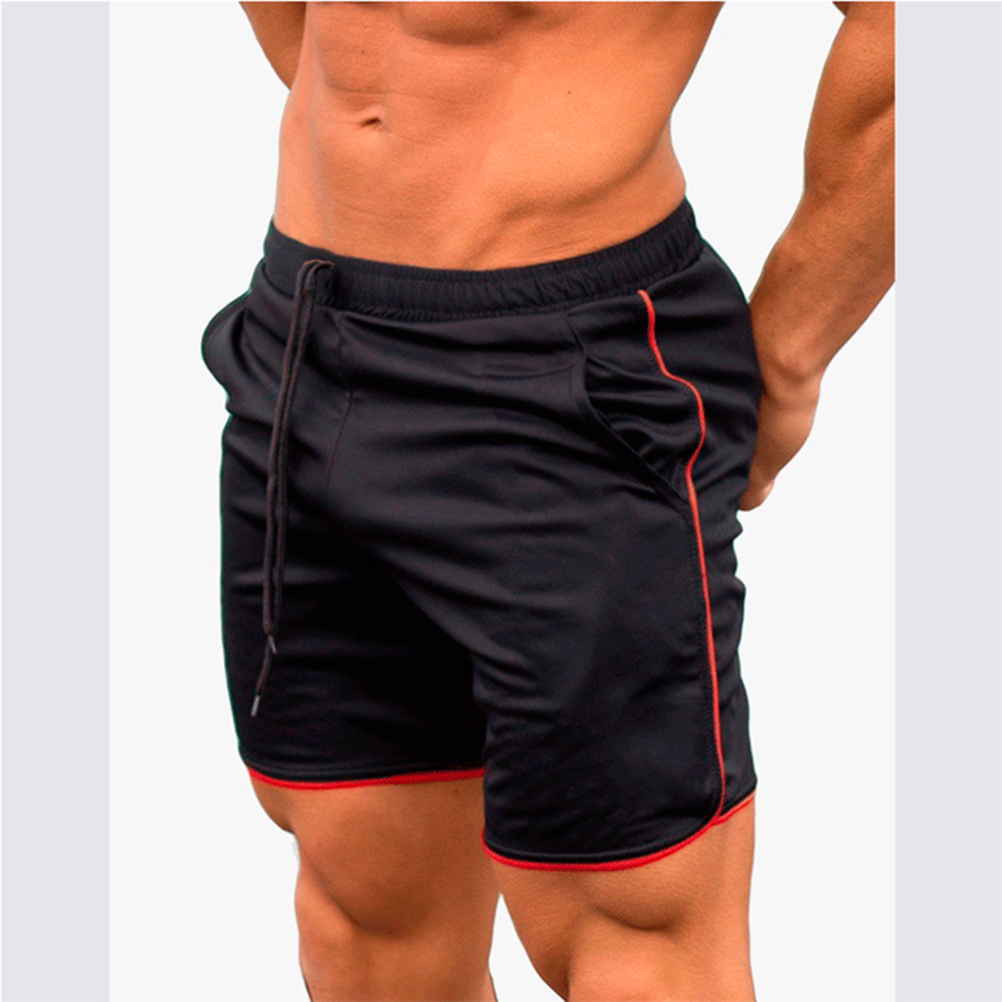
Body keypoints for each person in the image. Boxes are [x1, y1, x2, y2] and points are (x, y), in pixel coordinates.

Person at [199, 3, 894, 999]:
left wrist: (789, 354)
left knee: (638, 943)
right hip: (305, 337)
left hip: (568, 367)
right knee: (363, 915)